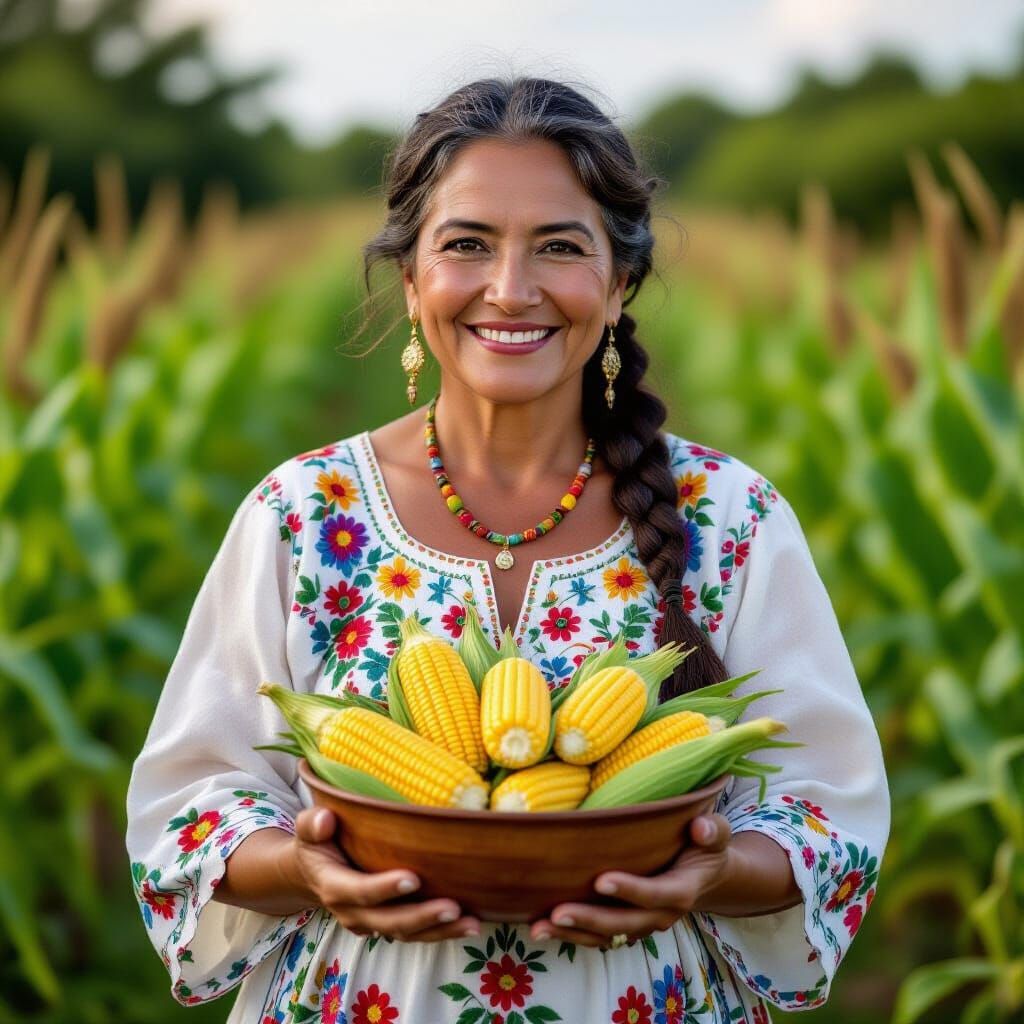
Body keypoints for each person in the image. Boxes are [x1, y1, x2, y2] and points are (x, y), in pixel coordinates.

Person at [126, 75, 889, 1023]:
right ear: (411, 280)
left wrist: (711, 871)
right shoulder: (304, 513)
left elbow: (829, 817)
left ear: (617, 287)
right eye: (467, 245)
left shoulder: (731, 519)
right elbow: (189, 806)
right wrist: (311, 868)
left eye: (560, 247)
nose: (511, 289)